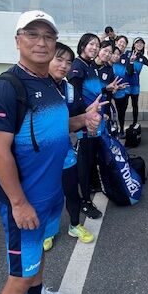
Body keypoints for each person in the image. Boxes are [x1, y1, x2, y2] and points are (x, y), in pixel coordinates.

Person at [0, 11, 103, 294]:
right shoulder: (8, 88)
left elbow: (55, 125)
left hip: (50, 195)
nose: (41, 42)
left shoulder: (51, 83)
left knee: (38, 259)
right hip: (25, 202)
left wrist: (83, 118)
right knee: (18, 276)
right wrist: (18, 203)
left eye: (48, 36)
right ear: (18, 39)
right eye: (32, 34)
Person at [43, 42, 94, 251]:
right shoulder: (35, 86)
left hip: (64, 151)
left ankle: (74, 225)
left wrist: (89, 117)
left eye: (68, 62)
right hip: (41, 155)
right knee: (48, 194)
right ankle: (48, 231)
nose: (64, 65)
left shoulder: (69, 89)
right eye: (59, 59)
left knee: (72, 191)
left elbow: (77, 115)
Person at [68, 33, 105, 220]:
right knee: (84, 161)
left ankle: (92, 186)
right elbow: (74, 100)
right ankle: (84, 201)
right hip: (84, 123)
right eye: (91, 44)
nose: (95, 47)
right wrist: (86, 115)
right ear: (82, 46)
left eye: (97, 45)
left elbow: (93, 93)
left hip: (94, 120)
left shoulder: (90, 65)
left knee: (91, 159)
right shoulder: (77, 67)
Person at [126, 37, 148, 126]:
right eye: (137, 43)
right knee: (124, 105)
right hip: (125, 84)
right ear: (134, 45)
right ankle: (121, 127)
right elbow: (129, 72)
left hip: (135, 85)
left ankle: (135, 123)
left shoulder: (142, 58)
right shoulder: (128, 53)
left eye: (141, 43)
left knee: (135, 105)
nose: (139, 44)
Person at [111, 45, 132, 138]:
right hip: (108, 94)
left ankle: (121, 129)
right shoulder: (105, 65)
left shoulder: (125, 59)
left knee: (121, 111)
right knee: (109, 112)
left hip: (121, 90)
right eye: (113, 53)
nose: (116, 56)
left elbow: (130, 72)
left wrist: (119, 87)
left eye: (118, 54)